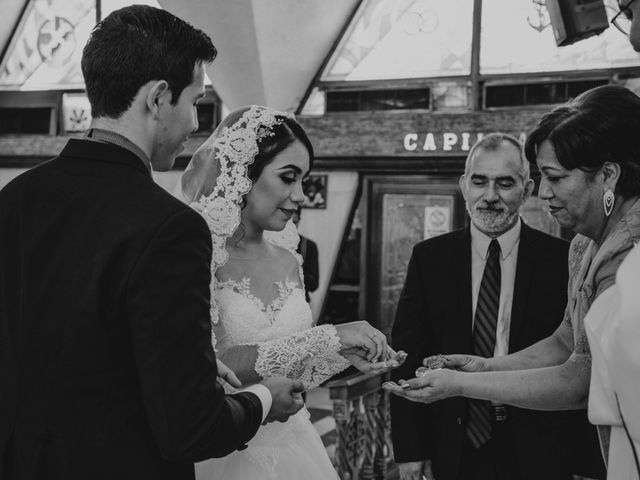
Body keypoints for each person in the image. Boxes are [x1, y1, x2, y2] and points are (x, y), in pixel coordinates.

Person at [0, 6, 307, 480]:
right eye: (194, 104)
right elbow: (191, 429)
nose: (194, 126)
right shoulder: (169, 227)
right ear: (159, 98)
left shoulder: (15, 199)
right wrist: (264, 399)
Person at [384, 84, 640, 476]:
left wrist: (461, 385)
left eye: (554, 177)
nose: (545, 192)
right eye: (542, 176)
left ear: (607, 175)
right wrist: (484, 367)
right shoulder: (582, 246)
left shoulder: (628, 252)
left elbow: (581, 378)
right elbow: (566, 342)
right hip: (457, 445)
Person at [177, 105, 404, 480]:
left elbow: (291, 370)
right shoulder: (201, 254)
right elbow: (213, 363)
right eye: (288, 177)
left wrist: (339, 354)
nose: (300, 195)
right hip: (228, 447)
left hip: (295, 444)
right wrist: (330, 335)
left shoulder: (288, 258)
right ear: (244, 175)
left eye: (304, 180)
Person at [292, 207, 319, 302]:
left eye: (294, 222)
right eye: (288, 223)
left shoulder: (309, 246)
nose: (291, 227)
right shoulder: (272, 244)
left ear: (299, 221)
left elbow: (314, 285)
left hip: (301, 302)